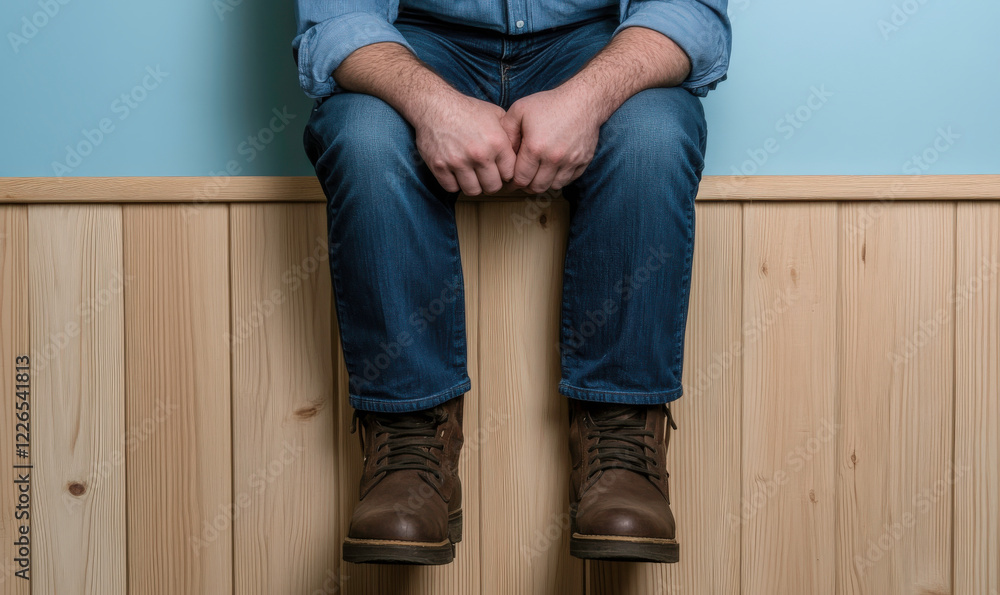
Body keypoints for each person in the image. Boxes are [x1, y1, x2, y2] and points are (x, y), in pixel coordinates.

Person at [293, 0, 731, 566]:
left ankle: (622, 441)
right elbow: (335, 19)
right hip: (413, 45)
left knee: (654, 133)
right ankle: (408, 447)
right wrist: (433, 105)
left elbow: (687, 9)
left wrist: (585, 99)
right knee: (363, 137)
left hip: (602, 45)